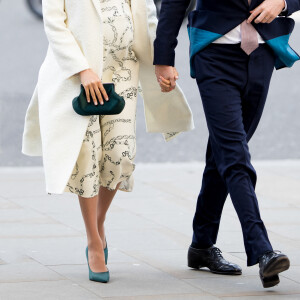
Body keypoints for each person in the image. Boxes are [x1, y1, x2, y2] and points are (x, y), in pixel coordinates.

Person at [22, 0, 194, 283]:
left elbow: (146, 13)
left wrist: (160, 61)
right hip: (80, 74)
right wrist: (81, 69)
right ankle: (93, 239)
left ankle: (99, 220)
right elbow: (54, 22)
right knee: (87, 154)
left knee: (121, 153)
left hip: (124, 67)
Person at [154, 0, 300, 288]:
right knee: (235, 155)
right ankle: (262, 250)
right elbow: (174, 4)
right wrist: (163, 58)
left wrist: (282, 1)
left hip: (263, 53)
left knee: (223, 152)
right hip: (214, 54)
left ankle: (201, 245)